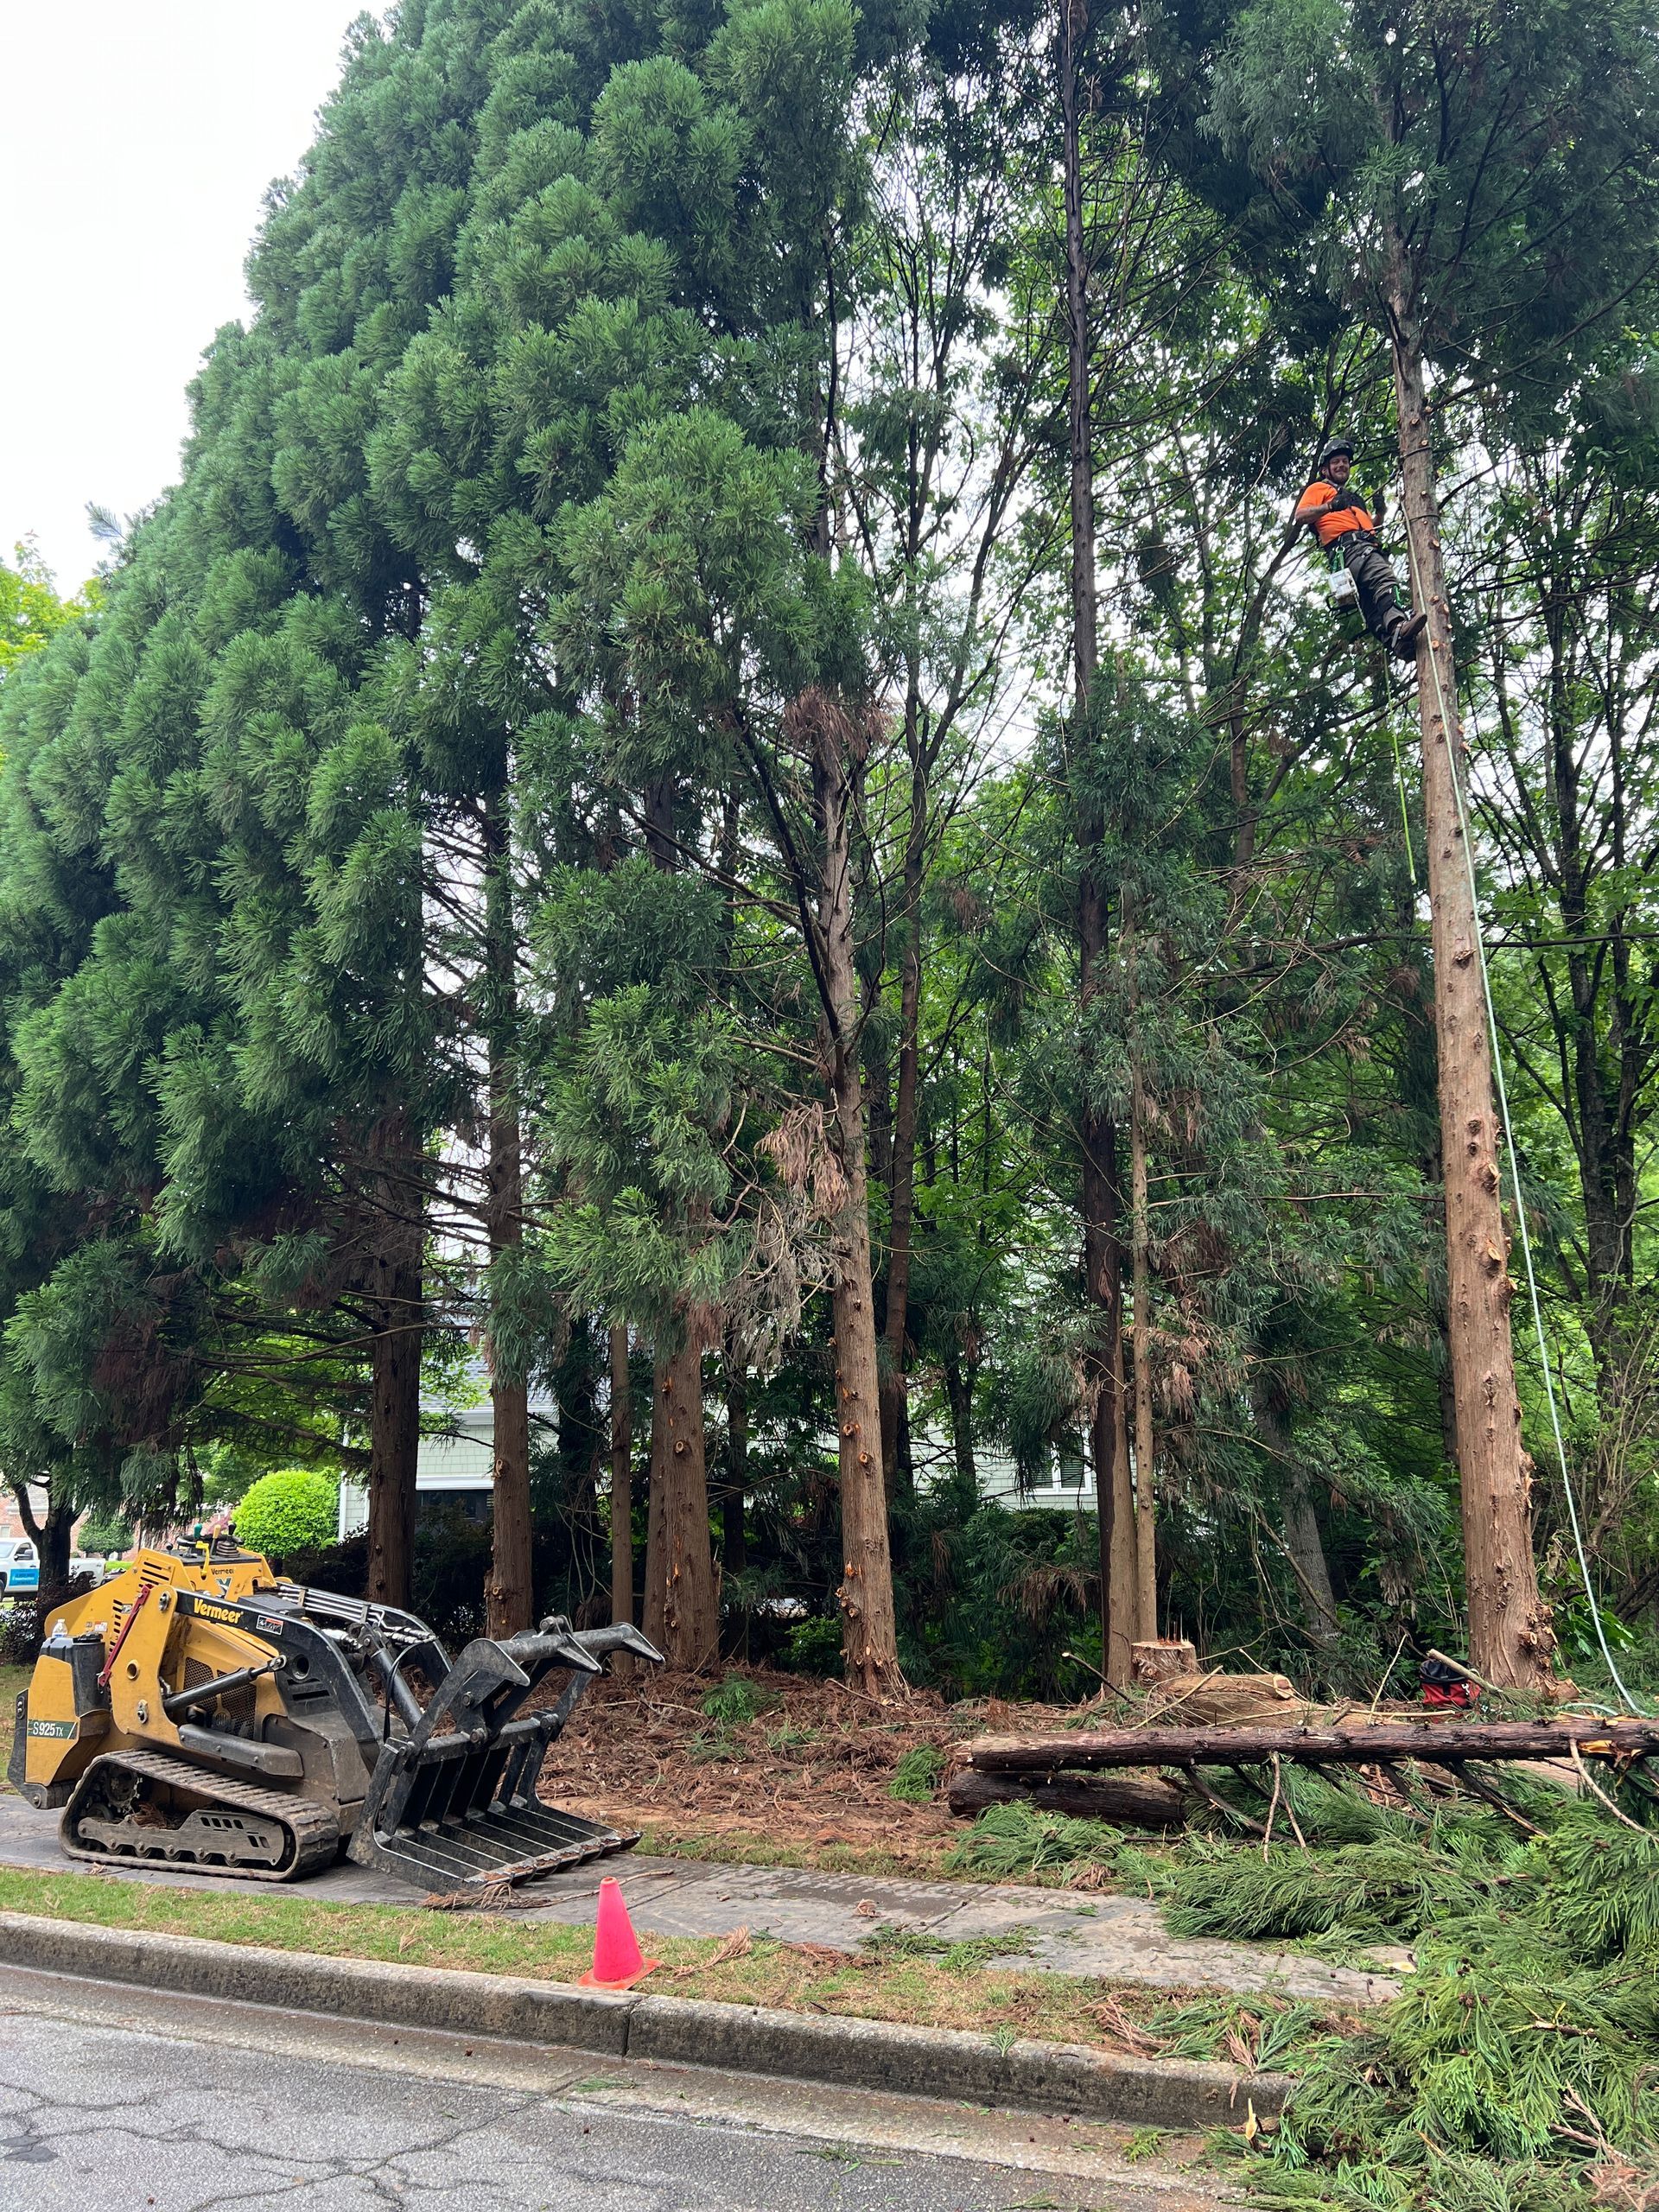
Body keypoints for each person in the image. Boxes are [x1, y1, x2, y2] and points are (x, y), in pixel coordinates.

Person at [1294, 438, 1427, 661]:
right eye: (1335, 462)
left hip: (1356, 551)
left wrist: (1381, 513)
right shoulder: (1319, 489)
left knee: (1371, 606)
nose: (1341, 465)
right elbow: (1300, 517)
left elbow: (1365, 527)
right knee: (1384, 579)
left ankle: (1398, 643)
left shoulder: (1352, 500)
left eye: (1345, 461)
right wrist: (1330, 505)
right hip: (1350, 550)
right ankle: (1398, 624)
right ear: (1325, 469)